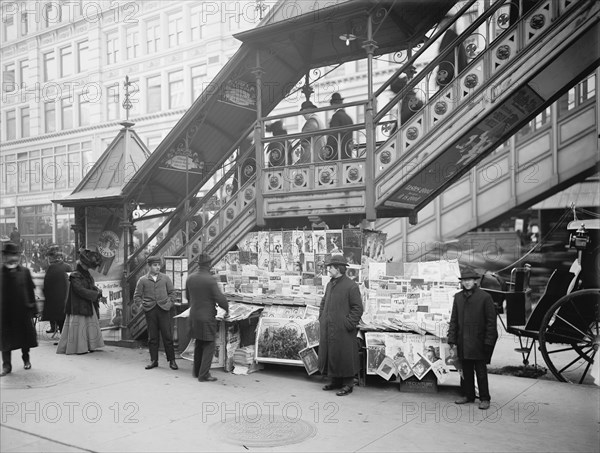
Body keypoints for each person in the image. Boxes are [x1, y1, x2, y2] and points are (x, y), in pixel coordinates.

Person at [447, 269, 498, 410]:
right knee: (466, 370)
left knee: (481, 372)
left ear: (475, 281)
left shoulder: (485, 297)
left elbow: (491, 322)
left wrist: (488, 341)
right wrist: (452, 339)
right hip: (463, 340)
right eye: (464, 280)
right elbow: (454, 320)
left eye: (469, 280)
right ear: (461, 282)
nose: (467, 282)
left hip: (479, 341)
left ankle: (484, 398)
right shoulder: (458, 297)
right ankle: (467, 395)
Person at [318, 254, 364, 396]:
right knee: (332, 353)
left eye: (331, 267)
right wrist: (322, 317)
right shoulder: (330, 284)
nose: (329, 269)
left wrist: (348, 324)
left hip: (343, 329)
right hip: (329, 326)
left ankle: (348, 384)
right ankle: (335, 381)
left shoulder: (351, 286)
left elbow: (358, 308)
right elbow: (324, 302)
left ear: (338, 268)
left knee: (344, 355)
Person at [186, 253, 229, 382]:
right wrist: (226, 309)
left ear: (198, 265)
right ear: (209, 265)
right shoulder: (210, 279)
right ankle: (203, 375)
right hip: (207, 317)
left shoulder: (190, 278)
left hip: (193, 315)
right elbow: (219, 298)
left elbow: (188, 297)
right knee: (209, 344)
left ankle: (196, 371)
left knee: (199, 343)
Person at [56, 248, 105, 355]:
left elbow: (89, 286)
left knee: (87, 325)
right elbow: (80, 290)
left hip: (86, 305)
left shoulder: (85, 274)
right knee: (81, 326)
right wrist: (95, 294)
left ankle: (89, 345)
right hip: (78, 307)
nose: (89, 268)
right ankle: (80, 348)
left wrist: (96, 290)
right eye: (87, 266)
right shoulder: (75, 275)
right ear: (83, 264)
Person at [134, 255, 178, 370]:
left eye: (158, 265)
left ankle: (172, 361)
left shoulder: (165, 278)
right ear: (149, 266)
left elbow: (173, 293)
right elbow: (137, 296)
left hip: (164, 310)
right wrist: (142, 306)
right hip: (150, 311)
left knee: (167, 336)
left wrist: (168, 304)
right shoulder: (142, 280)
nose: (157, 267)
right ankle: (154, 360)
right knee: (152, 337)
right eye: (155, 265)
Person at [1, 242, 38, 376]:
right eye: (9, 255)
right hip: (5, 313)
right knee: (5, 341)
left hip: (22, 311)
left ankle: (26, 359)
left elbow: (30, 291)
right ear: (4, 256)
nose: (12, 257)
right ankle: (6, 366)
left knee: (24, 339)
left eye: (14, 255)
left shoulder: (24, 272)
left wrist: (34, 309)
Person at [42, 246, 72, 336]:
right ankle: (63, 336)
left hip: (58, 299)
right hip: (64, 298)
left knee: (60, 319)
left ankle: (62, 336)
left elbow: (46, 285)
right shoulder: (66, 266)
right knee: (63, 319)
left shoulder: (53, 267)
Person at [326, 92, 354, 160]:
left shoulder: (336, 116)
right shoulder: (348, 117)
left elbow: (333, 135)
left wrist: (328, 150)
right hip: (347, 153)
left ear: (333, 104)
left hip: (337, 154)